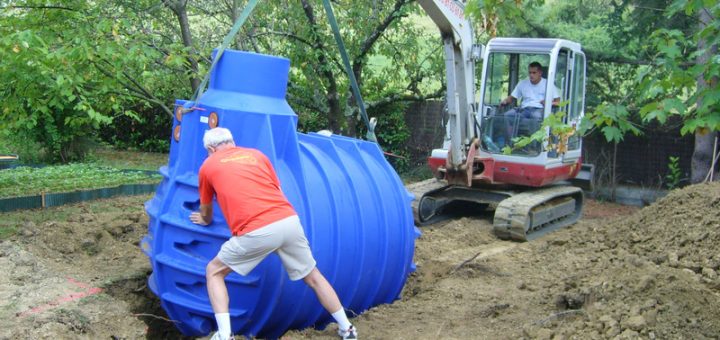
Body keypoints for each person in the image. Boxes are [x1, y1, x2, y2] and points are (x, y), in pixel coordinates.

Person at [190, 127, 358, 340]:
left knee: (214, 271)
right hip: (288, 220)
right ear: (232, 141)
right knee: (314, 277)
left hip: (256, 229)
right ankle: (347, 328)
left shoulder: (208, 166)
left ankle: (224, 335)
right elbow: (274, 188)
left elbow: (206, 210)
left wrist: (204, 219)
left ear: (211, 149)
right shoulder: (257, 155)